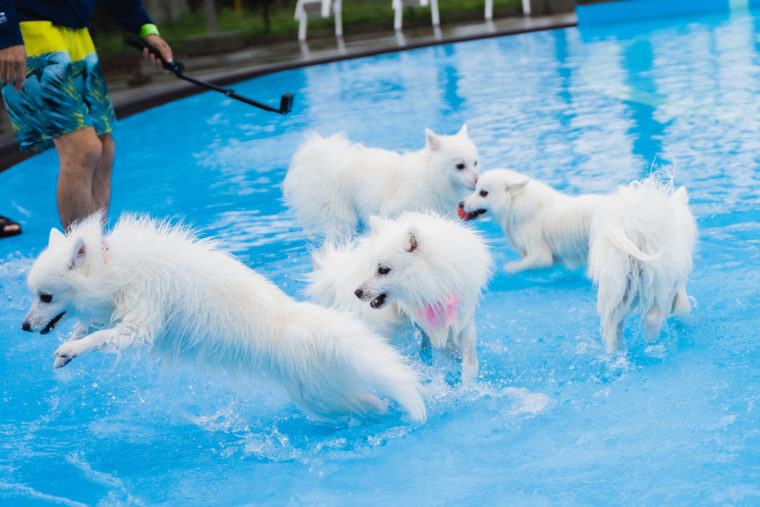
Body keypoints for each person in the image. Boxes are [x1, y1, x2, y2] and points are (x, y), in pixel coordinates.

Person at [0, 1, 174, 231]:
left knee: (104, 148)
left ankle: (94, 250)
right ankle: (80, 261)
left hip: (77, 29)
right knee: (83, 148)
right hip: (28, 29)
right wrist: (6, 34)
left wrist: (144, 26)